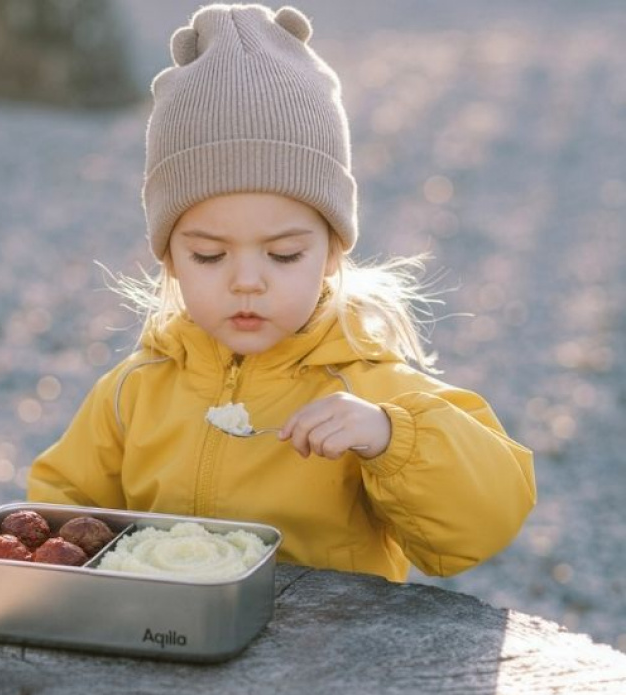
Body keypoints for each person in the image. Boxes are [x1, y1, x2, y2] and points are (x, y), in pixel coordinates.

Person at [26, 3, 535, 580]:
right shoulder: (133, 392)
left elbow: (487, 522)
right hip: (164, 649)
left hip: (326, 655)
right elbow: (57, 516)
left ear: (332, 251)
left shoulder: (369, 386)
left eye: (285, 254)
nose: (248, 279)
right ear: (168, 258)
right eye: (210, 255)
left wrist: (392, 437)